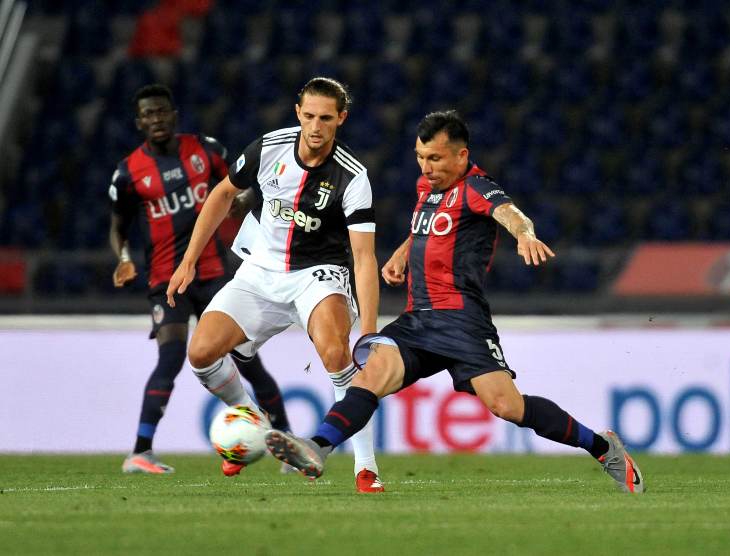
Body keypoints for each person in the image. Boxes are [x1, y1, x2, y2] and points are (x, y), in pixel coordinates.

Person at [264, 110, 645, 494]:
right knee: (371, 375)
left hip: (463, 323)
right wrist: (402, 253)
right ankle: (317, 447)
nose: (426, 168)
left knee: (507, 407)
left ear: (461, 156)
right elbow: (425, 230)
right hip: (418, 320)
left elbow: (510, 214)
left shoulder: (476, 188)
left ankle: (603, 448)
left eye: (436, 158)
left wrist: (524, 235)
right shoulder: (426, 188)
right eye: (420, 157)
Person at [166, 77, 384, 493]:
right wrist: (189, 260)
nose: (316, 127)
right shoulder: (269, 148)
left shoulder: (353, 177)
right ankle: (252, 421)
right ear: (297, 113)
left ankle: (366, 467)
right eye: (308, 116)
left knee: (336, 351)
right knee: (200, 352)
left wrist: (369, 329)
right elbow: (222, 194)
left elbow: (363, 256)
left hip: (318, 275)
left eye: (326, 118)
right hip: (261, 270)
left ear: (341, 118)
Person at [109, 84, 291, 474]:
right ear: (138, 122)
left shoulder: (206, 151)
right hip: (165, 280)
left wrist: (240, 203)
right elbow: (118, 226)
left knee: (246, 359)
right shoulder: (128, 174)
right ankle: (140, 451)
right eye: (148, 114)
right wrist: (123, 258)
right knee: (172, 357)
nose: (156, 119)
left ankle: (287, 442)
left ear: (174, 114)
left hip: (212, 274)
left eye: (162, 111)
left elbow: (239, 191)